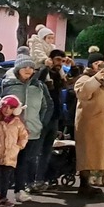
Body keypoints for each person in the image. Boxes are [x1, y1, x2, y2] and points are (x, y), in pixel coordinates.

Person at [0, 54, 53, 202]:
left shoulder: (39, 85)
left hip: (32, 132)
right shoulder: (5, 84)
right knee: (3, 164)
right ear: (17, 69)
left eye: (31, 67)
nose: (28, 70)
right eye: (24, 67)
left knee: (24, 162)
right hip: (7, 133)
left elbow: (47, 106)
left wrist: (41, 122)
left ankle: (20, 190)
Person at [74, 53, 104, 196]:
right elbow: (84, 93)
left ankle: (92, 182)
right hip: (90, 124)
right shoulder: (85, 79)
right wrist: (96, 78)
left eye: (102, 62)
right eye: (96, 63)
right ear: (90, 65)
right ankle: (84, 184)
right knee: (87, 156)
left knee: (98, 156)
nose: (100, 65)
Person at [31, 50, 70, 192]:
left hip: (54, 118)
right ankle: (32, 180)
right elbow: (36, 82)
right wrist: (45, 67)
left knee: (47, 151)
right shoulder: (44, 73)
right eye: (57, 60)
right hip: (42, 118)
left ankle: (41, 179)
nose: (60, 63)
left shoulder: (59, 75)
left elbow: (68, 86)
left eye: (62, 60)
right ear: (50, 59)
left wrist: (72, 68)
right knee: (36, 151)